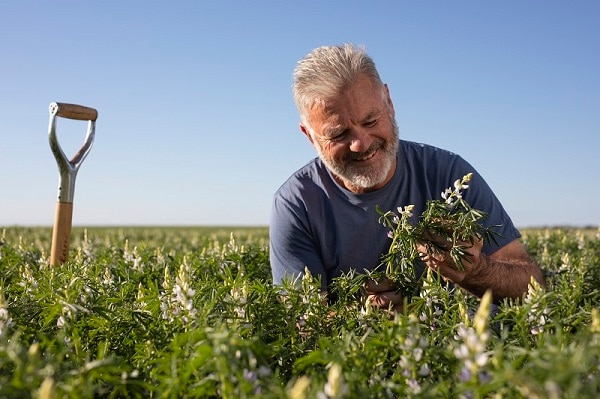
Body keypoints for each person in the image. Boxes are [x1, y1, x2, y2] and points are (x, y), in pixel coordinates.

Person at [269, 43, 545, 312]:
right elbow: (302, 323)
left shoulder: (449, 174)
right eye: (338, 134)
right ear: (309, 135)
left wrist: (475, 271)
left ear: (388, 102)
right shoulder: (296, 203)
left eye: (370, 121)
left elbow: (533, 287)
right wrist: (363, 317)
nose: (361, 144)